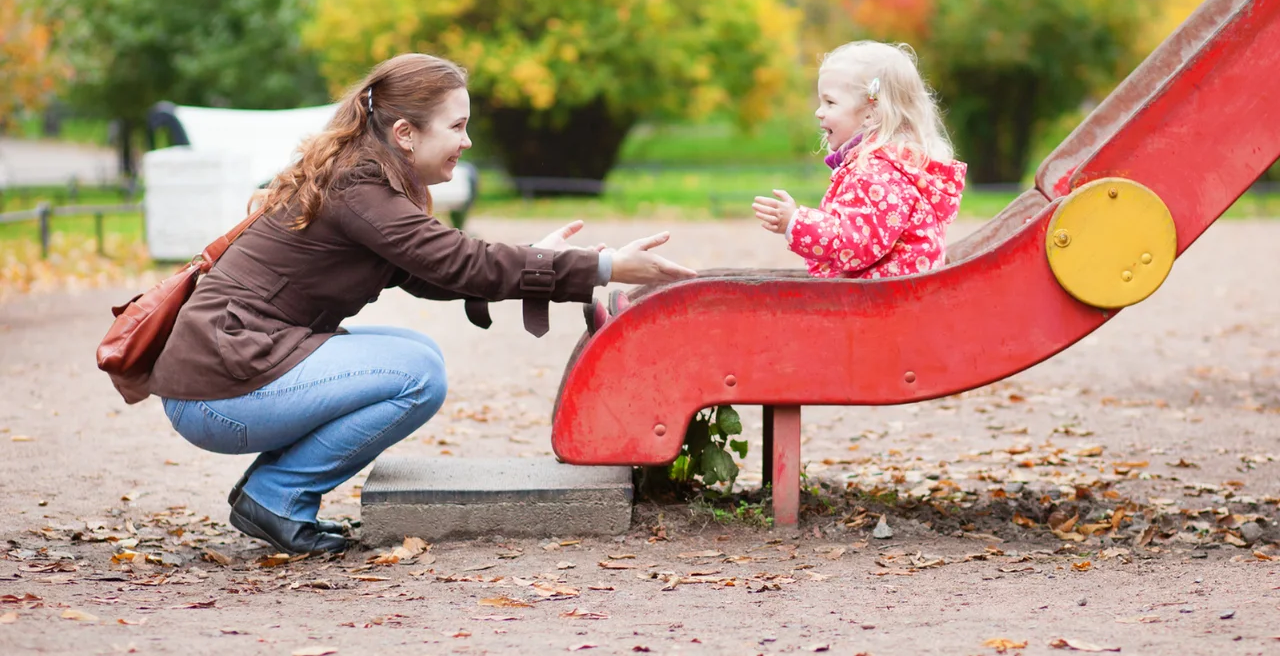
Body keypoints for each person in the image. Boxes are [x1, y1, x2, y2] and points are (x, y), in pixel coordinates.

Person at [149, 53, 695, 554]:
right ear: (405, 133)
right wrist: (605, 268)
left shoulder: (365, 181)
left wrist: (539, 261)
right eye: (457, 126)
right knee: (416, 372)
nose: (468, 141)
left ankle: (274, 493)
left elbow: (436, 268)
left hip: (224, 376)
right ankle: (276, 497)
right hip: (217, 392)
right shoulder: (359, 188)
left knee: (408, 352)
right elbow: (462, 261)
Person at [752, 41, 967, 278]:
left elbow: (855, 244)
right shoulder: (890, 166)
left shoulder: (877, 174)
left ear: (870, 112)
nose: (818, 111)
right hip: (896, 294)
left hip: (880, 302)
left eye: (830, 102)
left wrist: (796, 222)